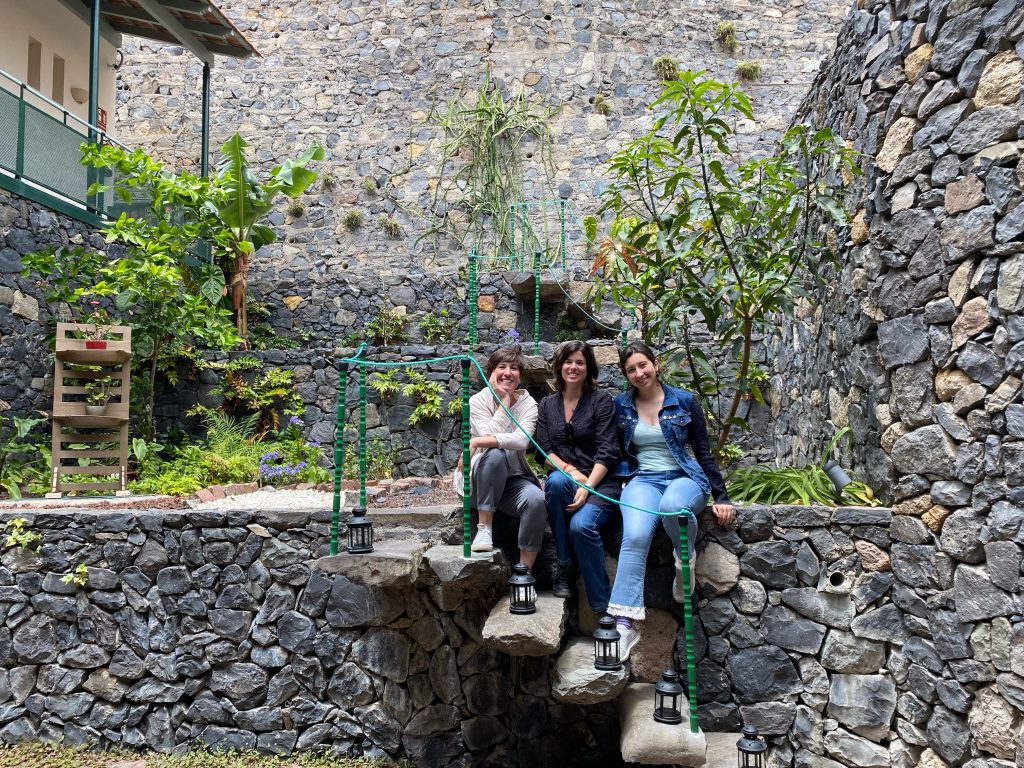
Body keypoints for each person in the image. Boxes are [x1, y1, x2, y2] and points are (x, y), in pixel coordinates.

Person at [608, 341, 735, 660]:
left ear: (656, 363)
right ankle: (624, 624)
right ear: (626, 375)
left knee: (673, 510)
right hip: (643, 480)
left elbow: (703, 453)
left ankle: (684, 563)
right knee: (634, 536)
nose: (639, 373)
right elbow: (613, 451)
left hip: (683, 478)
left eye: (643, 365)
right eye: (631, 370)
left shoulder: (684, 401)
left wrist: (721, 496)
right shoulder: (621, 405)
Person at [536, 341, 620, 611]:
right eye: (568, 361)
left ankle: (602, 609)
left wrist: (588, 486)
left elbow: (608, 451)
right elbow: (544, 450)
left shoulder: (601, 401)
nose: (573, 367)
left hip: (603, 483)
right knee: (558, 481)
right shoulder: (548, 404)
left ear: (588, 368)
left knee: (581, 527)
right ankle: (564, 564)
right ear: (559, 366)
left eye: (580, 362)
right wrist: (573, 472)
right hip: (568, 479)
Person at [460, 346, 547, 571]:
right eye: (501, 367)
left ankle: (524, 575)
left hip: (513, 480)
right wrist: (505, 403)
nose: (508, 372)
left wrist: (476, 442)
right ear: (491, 372)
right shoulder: (478, 401)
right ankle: (484, 528)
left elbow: (522, 441)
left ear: (520, 375)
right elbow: (491, 435)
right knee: (496, 454)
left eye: (514, 368)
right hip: (480, 481)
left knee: (536, 499)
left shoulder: (528, 403)